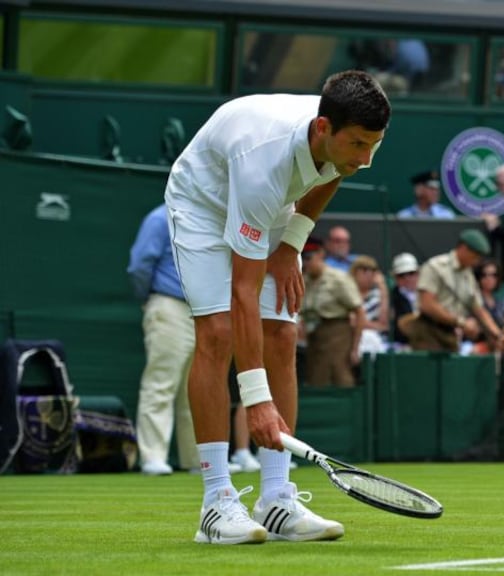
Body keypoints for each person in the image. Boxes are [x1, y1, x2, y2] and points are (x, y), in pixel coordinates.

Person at [164, 70, 390, 544]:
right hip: (205, 203)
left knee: (283, 334)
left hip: (271, 211)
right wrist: (257, 401)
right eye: (358, 144)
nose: (366, 158)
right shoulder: (263, 162)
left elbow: (334, 172)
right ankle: (216, 501)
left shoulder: (348, 139)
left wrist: (291, 243)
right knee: (218, 332)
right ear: (323, 128)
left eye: (373, 144)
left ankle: (275, 500)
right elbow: (242, 294)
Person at [127, 203, 199, 476]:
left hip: (203, 311)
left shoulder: (206, 215)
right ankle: (152, 457)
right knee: (161, 382)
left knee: (198, 388)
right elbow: (139, 265)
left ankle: (198, 459)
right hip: (169, 304)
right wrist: (149, 299)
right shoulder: (159, 218)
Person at [400, 229, 504, 352]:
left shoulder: (468, 275)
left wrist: (498, 335)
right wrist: (461, 322)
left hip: (451, 333)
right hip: (428, 330)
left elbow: (479, 309)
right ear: (464, 248)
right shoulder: (436, 266)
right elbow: (427, 304)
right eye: (475, 255)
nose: (477, 260)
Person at [299, 237, 364, 388]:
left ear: (320, 254)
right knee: (316, 379)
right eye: (302, 258)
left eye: (309, 258)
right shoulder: (304, 280)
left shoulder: (338, 279)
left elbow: (360, 312)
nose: (306, 263)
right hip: (314, 336)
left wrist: (355, 348)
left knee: (340, 377)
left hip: (337, 334)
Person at [350, 255, 389, 355]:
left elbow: (384, 324)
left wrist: (382, 287)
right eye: (364, 270)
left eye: (373, 271)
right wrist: (375, 326)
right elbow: (352, 322)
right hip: (352, 338)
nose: (369, 275)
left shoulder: (377, 295)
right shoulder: (348, 293)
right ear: (355, 272)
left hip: (378, 340)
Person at [389, 252, 419, 349]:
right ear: (395, 277)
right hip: (401, 344)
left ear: (418, 273)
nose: (407, 278)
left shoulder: (428, 294)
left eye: (411, 273)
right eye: (401, 275)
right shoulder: (392, 297)